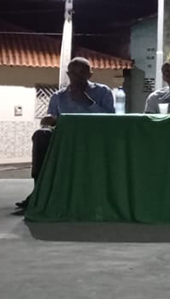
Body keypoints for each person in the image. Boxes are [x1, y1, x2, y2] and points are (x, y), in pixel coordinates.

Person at [15, 57, 115, 211]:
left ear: (90, 74)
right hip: (64, 139)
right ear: (68, 74)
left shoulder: (103, 92)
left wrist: (87, 101)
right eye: (74, 73)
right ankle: (38, 191)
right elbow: (52, 119)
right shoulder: (58, 97)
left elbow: (111, 119)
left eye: (82, 73)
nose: (77, 77)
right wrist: (50, 121)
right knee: (41, 135)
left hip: (93, 138)